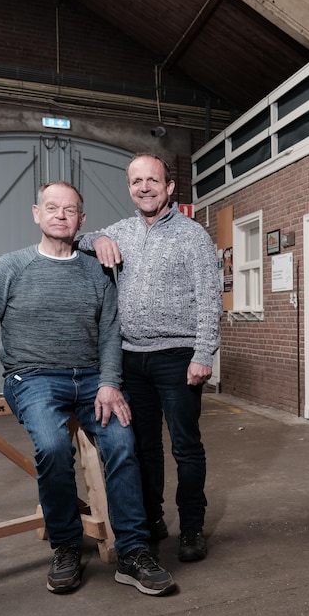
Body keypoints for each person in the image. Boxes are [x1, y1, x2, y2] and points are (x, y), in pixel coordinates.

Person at [0, 182, 176, 597]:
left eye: (71, 209)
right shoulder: (11, 268)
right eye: (52, 208)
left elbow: (111, 335)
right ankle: (65, 546)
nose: (61, 215)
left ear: (82, 219)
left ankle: (133, 552)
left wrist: (111, 383)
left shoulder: (97, 270)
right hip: (33, 377)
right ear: (36, 214)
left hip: (93, 377)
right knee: (53, 447)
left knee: (122, 441)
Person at [79, 153, 223, 563]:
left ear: (170, 187)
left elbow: (210, 298)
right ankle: (153, 519)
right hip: (130, 359)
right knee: (143, 447)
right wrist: (98, 239)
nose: (144, 187)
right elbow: (76, 239)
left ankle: (192, 527)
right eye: (136, 181)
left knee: (185, 446)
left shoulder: (192, 235)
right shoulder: (120, 230)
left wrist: (202, 353)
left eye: (152, 180)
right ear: (129, 187)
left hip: (178, 357)